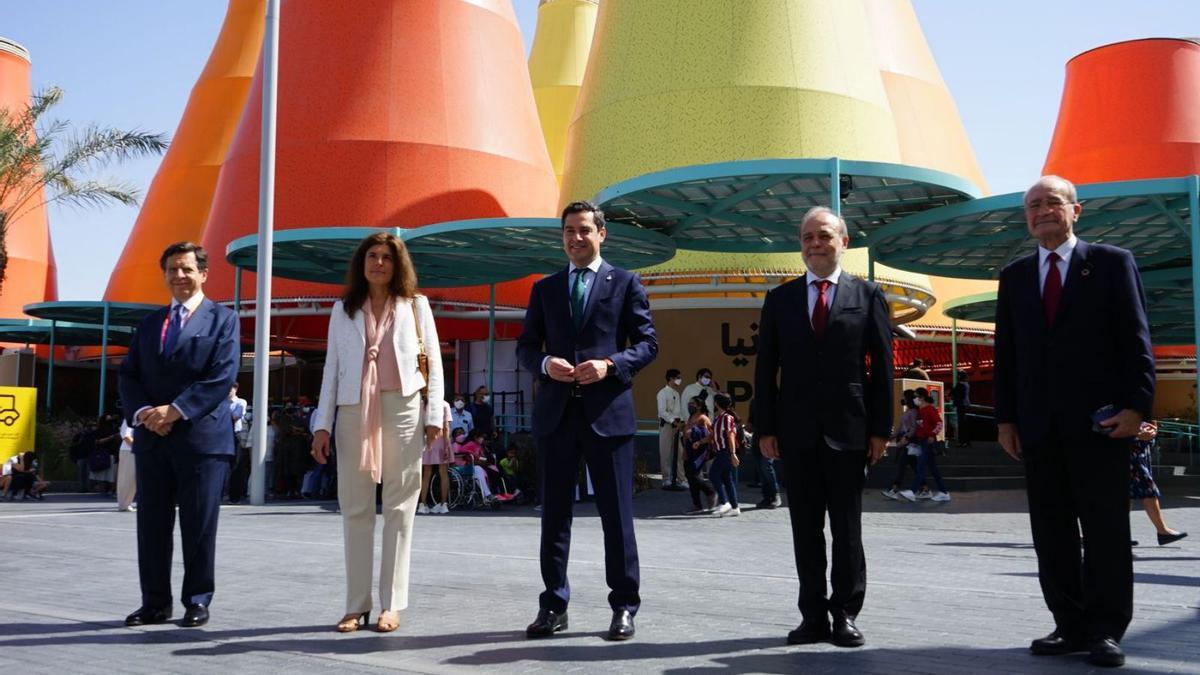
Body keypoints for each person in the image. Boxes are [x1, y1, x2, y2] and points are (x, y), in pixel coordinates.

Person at [994, 176, 1155, 668]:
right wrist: (1005, 419)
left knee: (1105, 530)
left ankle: (1105, 629)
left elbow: (1136, 339)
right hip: (1038, 428)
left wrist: (1136, 408)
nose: (1042, 211)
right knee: (1052, 531)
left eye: (1052, 203)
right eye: (1033, 205)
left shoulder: (1110, 263)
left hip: (1100, 426)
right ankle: (1069, 624)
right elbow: (1008, 355)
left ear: (1075, 211)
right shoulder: (1016, 275)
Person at [516, 200, 657, 642]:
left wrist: (611, 365)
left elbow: (648, 344)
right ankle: (553, 605)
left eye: (583, 230)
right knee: (554, 517)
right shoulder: (545, 288)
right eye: (568, 232)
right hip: (556, 417)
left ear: (601, 234)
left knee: (617, 517)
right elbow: (525, 348)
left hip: (607, 416)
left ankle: (624, 606)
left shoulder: (626, 283)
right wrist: (543, 365)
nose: (575, 238)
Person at [754, 206, 893, 648]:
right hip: (795, 433)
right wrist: (765, 428)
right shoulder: (780, 299)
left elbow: (883, 370)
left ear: (844, 242)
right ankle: (812, 615)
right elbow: (765, 369)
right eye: (808, 237)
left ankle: (845, 614)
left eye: (825, 236)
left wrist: (880, 430)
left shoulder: (868, 296)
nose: (815, 244)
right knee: (805, 530)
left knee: (847, 530)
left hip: (849, 431)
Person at [310, 231, 444, 634]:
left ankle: (392, 604)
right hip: (353, 410)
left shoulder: (416, 306)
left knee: (401, 508)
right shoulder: (343, 309)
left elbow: (433, 363)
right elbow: (331, 370)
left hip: (402, 407)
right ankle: (356, 604)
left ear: (397, 263)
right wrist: (322, 424)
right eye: (372, 256)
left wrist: (433, 412)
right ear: (362, 263)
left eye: (387, 256)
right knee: (355, 507)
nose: (379, 263)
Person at [118, 241, 240, 629]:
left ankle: (197, 600)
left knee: (199, 525)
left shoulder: (223, 319)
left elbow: (221, 376)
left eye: (187, 268)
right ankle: (154, 603)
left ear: (203, 273)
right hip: (153, 440)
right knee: (151, 525)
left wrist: (174, 410)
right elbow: (129, 375)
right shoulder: (150, 323)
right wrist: (144, 414)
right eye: (172, 269)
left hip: (202, 441)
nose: (179, 276)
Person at [1129, 422, 1187, 546]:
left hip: (1140, 450)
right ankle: (1162, 531)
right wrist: (1137, 434)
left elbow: (1151, 420)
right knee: (1148, 490)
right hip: (1130, 451)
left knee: (1128, 493)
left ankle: (1120, 533)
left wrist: (1153, 430)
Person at [898, 388, 949, 502]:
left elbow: (939, 423)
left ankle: (912, 491)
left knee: (921, 466)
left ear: (921, 397)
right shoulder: (921, 410)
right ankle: (944, 492)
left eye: (916, 396)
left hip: (927, 441)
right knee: (932, 468)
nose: (914, 399)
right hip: (922, 441)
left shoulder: (930, 409)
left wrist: (932, 434)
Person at [709, 393, 743, 517]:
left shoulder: (726, 418)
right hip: (720, 452)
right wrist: (700, 442)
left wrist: (733, 453)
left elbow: (731, 435)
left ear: (717, 403)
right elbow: (713, 436)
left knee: (713, 475)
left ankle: (724, 502)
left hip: (725, 452)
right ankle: (735, 507)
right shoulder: (718, 418)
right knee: (727, 480)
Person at [419, 399, 453, 515]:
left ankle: (422, 504)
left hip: (427, 441)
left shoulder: (422, 404)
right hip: (440, 441)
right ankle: (444, 504)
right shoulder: (444, 404)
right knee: (443, 473)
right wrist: (447, 446)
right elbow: (446, 427)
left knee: (426, 474)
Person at [656, 368, 686, 489]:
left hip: (677, 426)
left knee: (680, 453)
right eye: (677, 377)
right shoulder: (662, 393)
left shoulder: (676, 393)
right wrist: (673, 421)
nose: (679, 380)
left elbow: (678, 411)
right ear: (671, 379)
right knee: (666, 452)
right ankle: (666, 479)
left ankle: (681, 479)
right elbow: (662, 411)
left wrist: (682, 421)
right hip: (667, 425)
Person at [225, 384, 250, 503]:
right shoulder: (221, 402)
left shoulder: (240, 402)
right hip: (222, 435)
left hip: (236, 435)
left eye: (230, 388)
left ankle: (235, 495)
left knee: (237, 465)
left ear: (235, 389)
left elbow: (236, 416)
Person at [116, 417, 137, 511]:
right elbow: (125, 436)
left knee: (136, 479)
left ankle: (127, 503)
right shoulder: (129, 418)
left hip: (139, 451)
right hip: (128, 450)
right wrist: (138, 447)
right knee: (127, 478)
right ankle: (124, 504)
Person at [951, 372, 971, 447]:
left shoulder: (959, 385)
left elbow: (955, 394)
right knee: (964, 423)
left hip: (960, 405)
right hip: (966, 404)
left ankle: (962, 441)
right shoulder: (967, 384)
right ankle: (966, 441)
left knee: (961, 423)